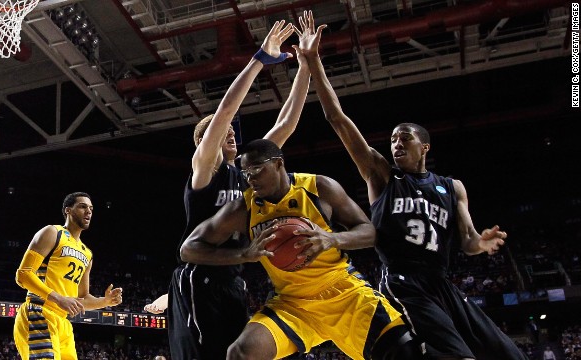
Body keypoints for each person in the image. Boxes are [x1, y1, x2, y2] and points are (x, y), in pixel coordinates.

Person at [301, 9, 529, 360]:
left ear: (424, 147)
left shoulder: (452, 187)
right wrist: (314, 61)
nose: (395, 143)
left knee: (510, 354)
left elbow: (466, 241)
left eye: (403, 138)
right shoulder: (381, 174)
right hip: (403, 280)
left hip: (441, 283)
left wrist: (481, 244)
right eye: (392, 139)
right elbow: (338, 119)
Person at [145, 19, 313, 360]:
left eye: (234, 133)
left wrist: (307, 64)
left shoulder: (249, 174)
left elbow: (287, 123)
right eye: (223, 134)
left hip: (234, 279)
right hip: (199, 276)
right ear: (205, 144)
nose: (232, 134)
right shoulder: (205, 171)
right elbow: (224, 112)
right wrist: (260, 60)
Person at [181, 138, 423, 360]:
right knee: (241, 353)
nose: (250, 178)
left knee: (405, 350)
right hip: (292, 303)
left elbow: (369, 232)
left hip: (346, 293)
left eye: (256, 169)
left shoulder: (319, 187)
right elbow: (188, 249)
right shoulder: (243, 208)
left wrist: (331, 239)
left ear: (278, 163)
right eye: (245, 173)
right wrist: (243, 255)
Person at [13, 192, 123, 360]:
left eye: (91, 208)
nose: (88, 212)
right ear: (68, 210)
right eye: (82, 206)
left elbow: (82, 298)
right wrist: (58, 299)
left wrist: (105, 301)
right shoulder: (52, 233)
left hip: (63, 322)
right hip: (40, 312)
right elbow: (23, 275)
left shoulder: (87, 254)